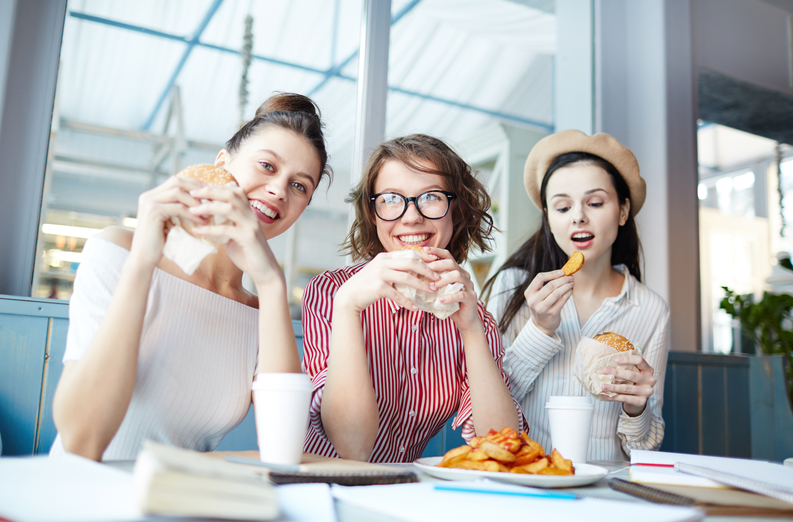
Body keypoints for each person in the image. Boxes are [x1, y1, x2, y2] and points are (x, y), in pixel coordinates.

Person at [50, 93, 330, 461]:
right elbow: (81, 440)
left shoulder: (264, 310)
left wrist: (272, 284)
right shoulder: (119, 251)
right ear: (221, 165)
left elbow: (286, 450)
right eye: (266, 165)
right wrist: (143, 264)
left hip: (184, 506)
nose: (279, 189)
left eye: (299, 186)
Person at [302, 134, 526, 463]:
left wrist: (472, 329)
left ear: (456, 210)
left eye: (431, 197)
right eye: (391, 199)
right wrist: (348, 309)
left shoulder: (474, 318)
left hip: (405, 493)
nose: (411, 217)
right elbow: (353, 448)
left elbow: (503, 446)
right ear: (373, 213)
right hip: (322, 487)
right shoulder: (331, 293)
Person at [483, 130, 669, 461]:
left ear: (623, 211)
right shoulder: (513, 288)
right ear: (549, 219)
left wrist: (636, 407)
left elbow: (642, 448)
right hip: (525, 477)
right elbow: (486, 412)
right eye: (562, 206)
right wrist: (540, 328)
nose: (578, 216)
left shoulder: (651, 310)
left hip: (607, 488)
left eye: (595, 203)